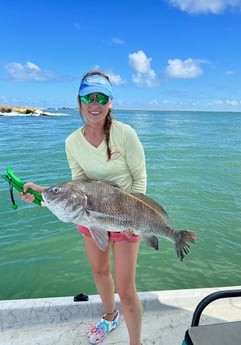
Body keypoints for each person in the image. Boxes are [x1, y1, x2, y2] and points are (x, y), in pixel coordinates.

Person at [19, 71, 147, 345]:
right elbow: (76, 188)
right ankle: (110, 317)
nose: (95, 103)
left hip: (126, 217)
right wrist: (42, 193)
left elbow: (140, 178)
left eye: (102, 97)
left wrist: (133, 217)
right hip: (90, 215)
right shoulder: (71, 142)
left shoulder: (126, 135)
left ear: (110, 102)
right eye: (89, 96)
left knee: (126, 290)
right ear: (79, 101)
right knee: (100, 272)